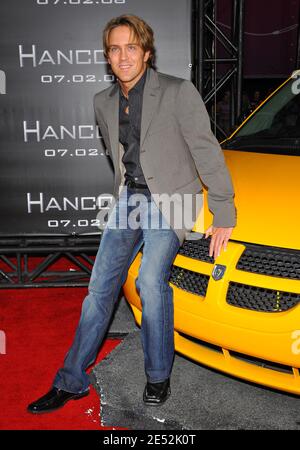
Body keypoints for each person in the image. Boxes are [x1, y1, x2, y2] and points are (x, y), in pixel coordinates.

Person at [27, 14, 236, 414]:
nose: (123, 56)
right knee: (97, 290)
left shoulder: (177, 91)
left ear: (146, 52)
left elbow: (206, 151)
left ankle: (158, 375)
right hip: (130, 200)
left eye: (131, 47)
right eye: (115, 49)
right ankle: (71, 381)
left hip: (172, 200)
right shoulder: (102, 102)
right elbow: (120, 159)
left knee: (149, 280)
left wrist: (223, 211)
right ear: (108, 56)